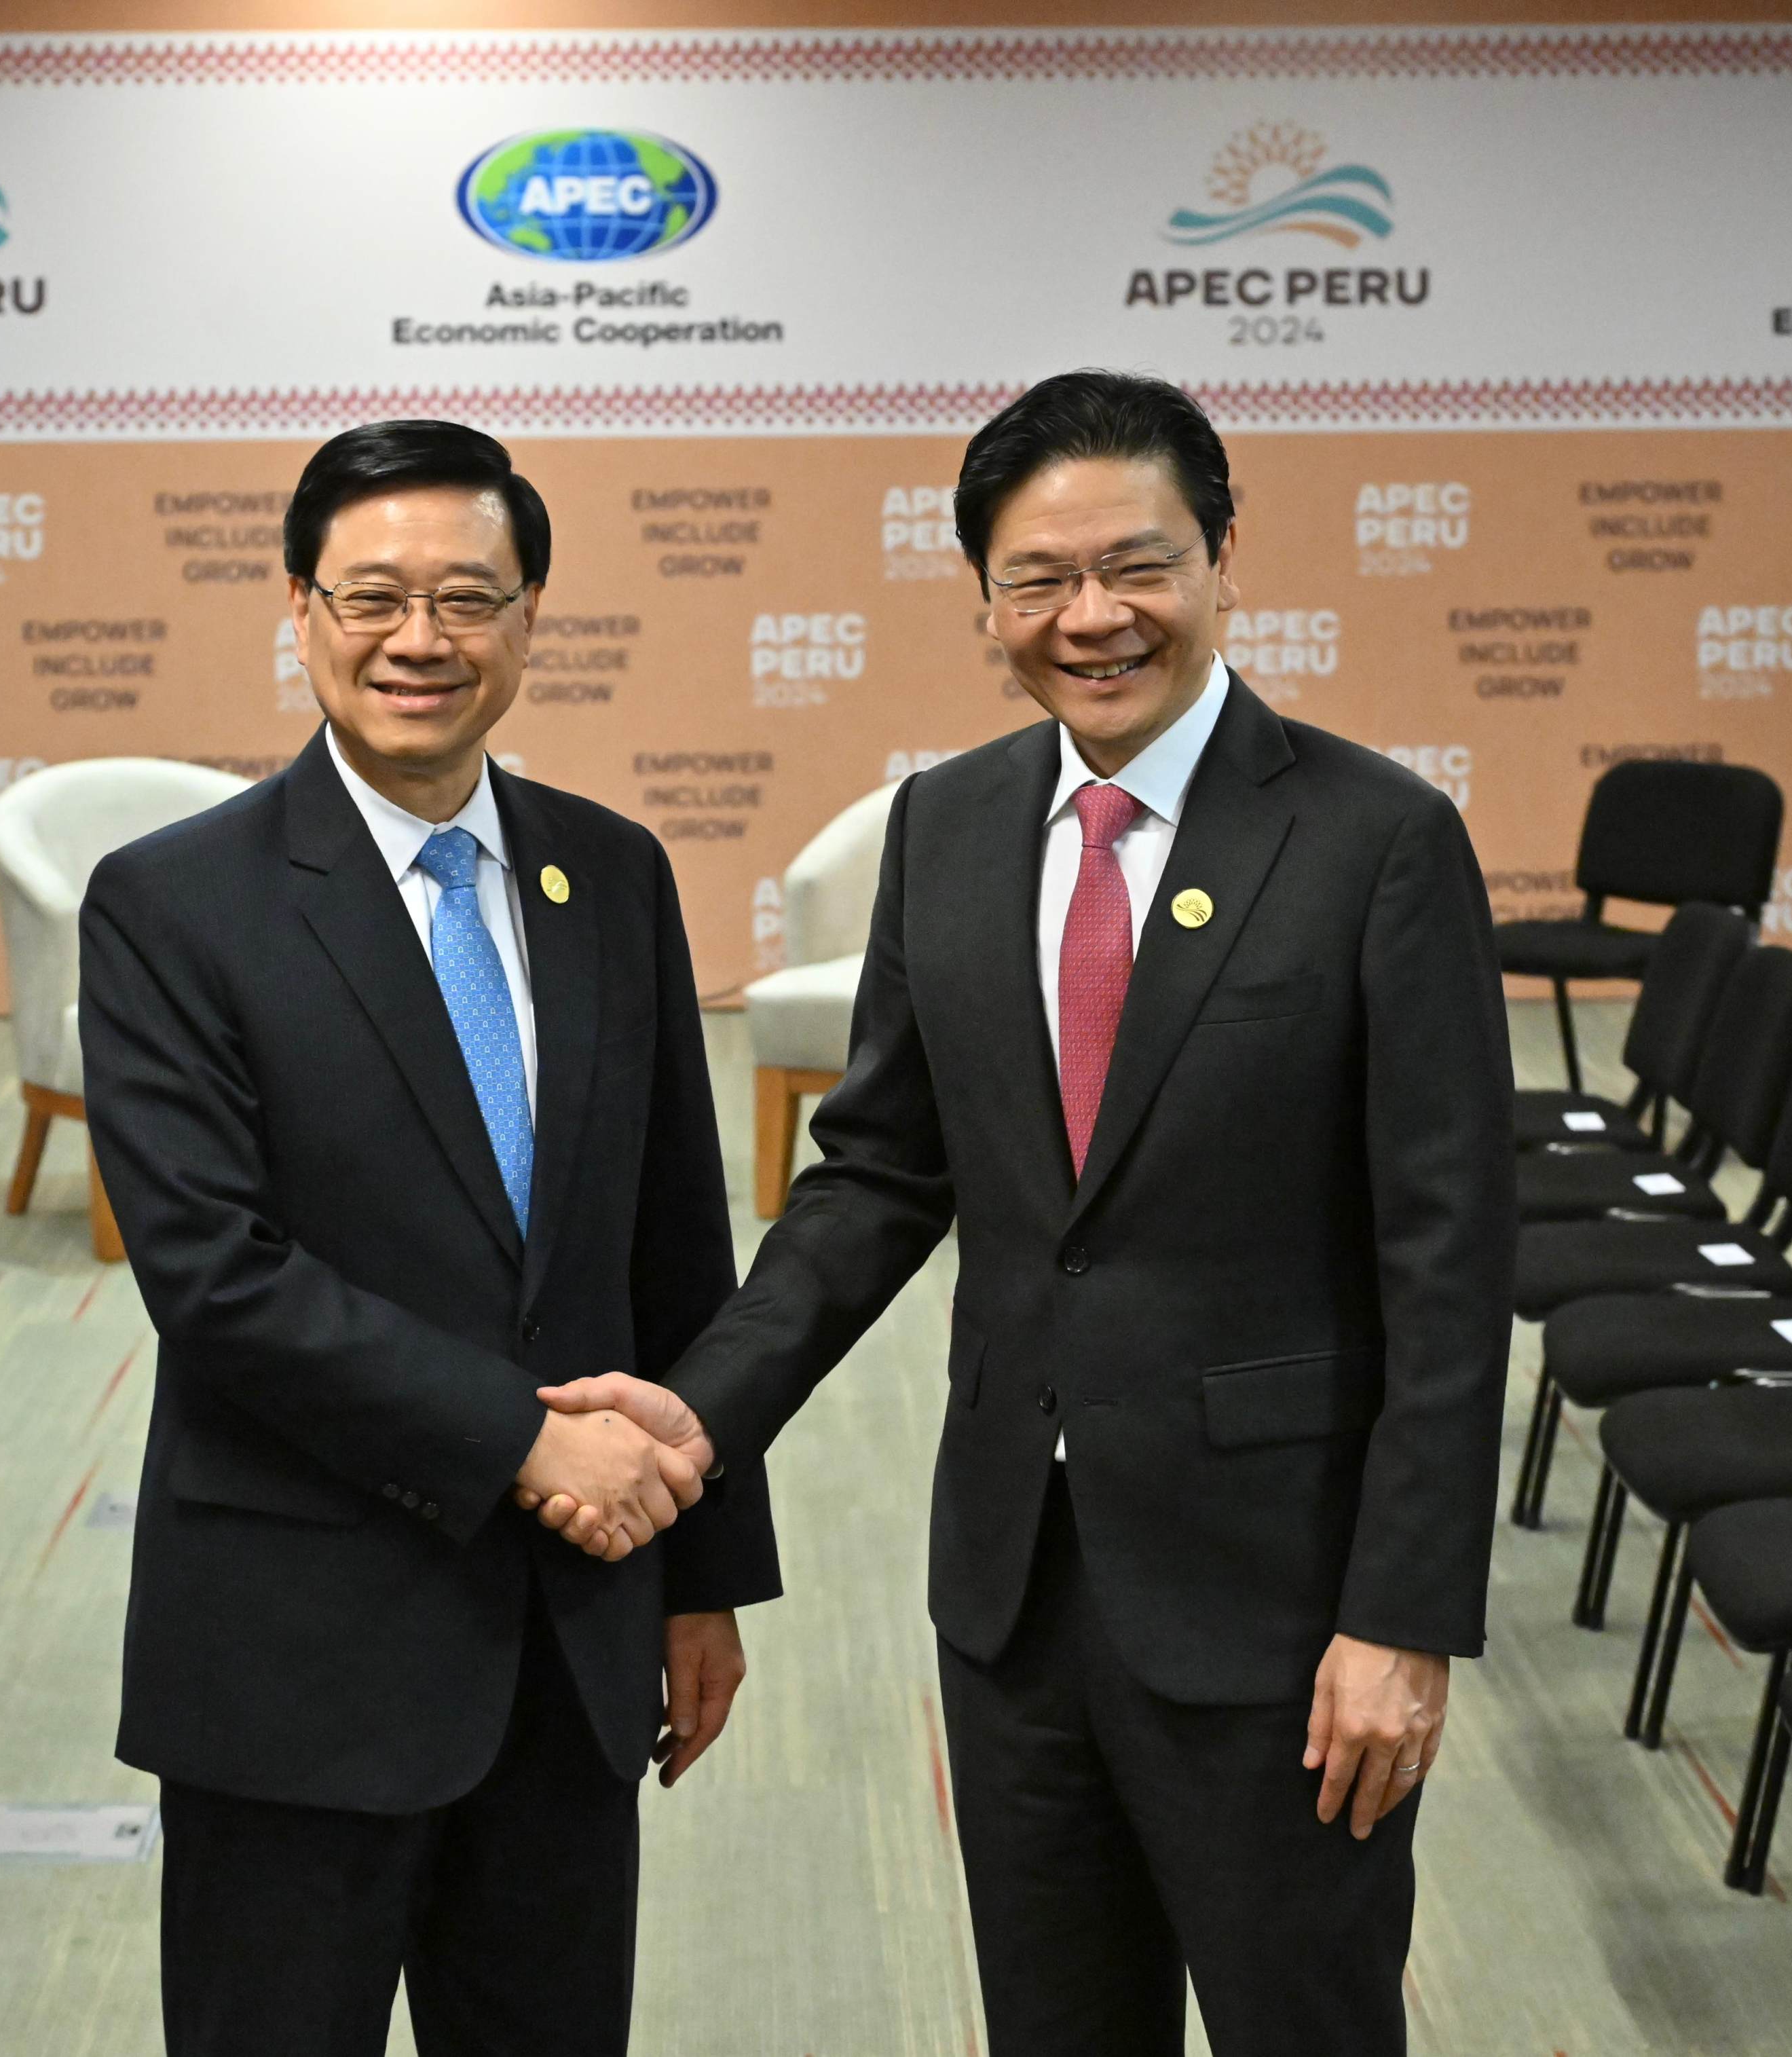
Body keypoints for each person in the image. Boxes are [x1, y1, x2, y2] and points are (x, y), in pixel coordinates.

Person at [531, 371, 1513, 2054]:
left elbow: (1447, 1263)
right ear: (982, 599)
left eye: (1136, 566)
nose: (1092, 617)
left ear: (1219, 561)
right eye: (1037, 579)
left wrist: (1398, 1620)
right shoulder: (954, 823)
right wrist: (698, 1415)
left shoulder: (1377, 842)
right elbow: (882, 1172)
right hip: (1012, 1584)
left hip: (1274, 1608)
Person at [79, 418, 780, 2057]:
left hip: (574, 1641)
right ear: (301, 613)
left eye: (466, 598)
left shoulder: (609, 873)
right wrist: (529, 1448)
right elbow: (213, 1277)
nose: (419, 641)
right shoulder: (177, 902)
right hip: (296, 1655)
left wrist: (702, 1580)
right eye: (372, 597)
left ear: (529, 619)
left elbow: (676, 1242)